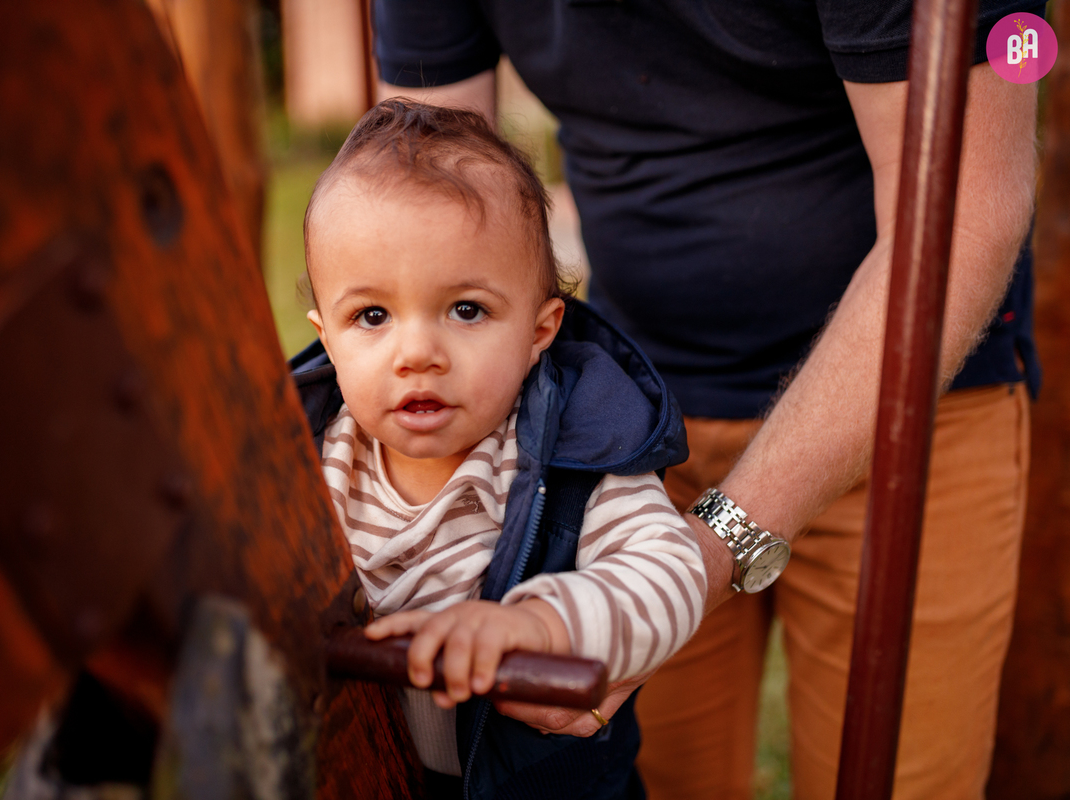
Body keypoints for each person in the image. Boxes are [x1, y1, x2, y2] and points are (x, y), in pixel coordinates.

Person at [371, 2, 1042, 798]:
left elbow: (966, 215)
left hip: (912, 414)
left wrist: (710, 550)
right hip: (633, 440)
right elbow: (432, 214)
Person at [290, 99, 707, 800]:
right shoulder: (307, 466)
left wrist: (542, 621)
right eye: (371, 316)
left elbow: (672, 575)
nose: (417, 352)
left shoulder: (579, 459)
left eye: (466, 310)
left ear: (541, 330)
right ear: (326, 337)